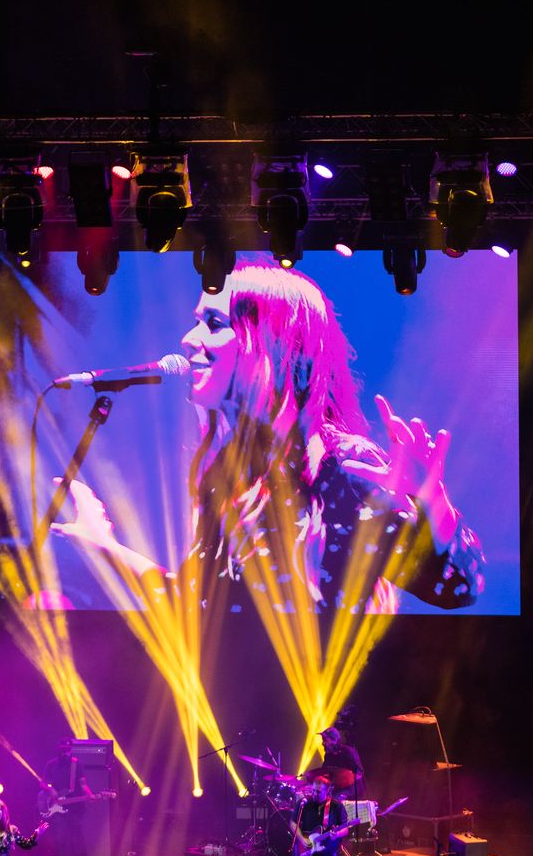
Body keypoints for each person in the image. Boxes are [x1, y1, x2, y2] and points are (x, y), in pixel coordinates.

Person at [52, 262, 485, 618]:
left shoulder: (341, 465)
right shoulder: (226, 472)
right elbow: (198, 606)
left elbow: (457, 589)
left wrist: (433, 506)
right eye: (197, 322)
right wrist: (102, 546)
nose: (189, 339)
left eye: (214, 323)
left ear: (270, 344)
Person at [38, 747, 96, 856]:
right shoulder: (52, 764)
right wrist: (51, 789)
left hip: (75, 808)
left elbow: (83, 784)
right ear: (58, 750)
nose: (65, 753)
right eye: (62, 750)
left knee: (75, 839)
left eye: (67, 750)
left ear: (71, 750)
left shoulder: (76, 764)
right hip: (57, 808)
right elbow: (43, 783)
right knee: (60, 839)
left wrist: (90, 794)